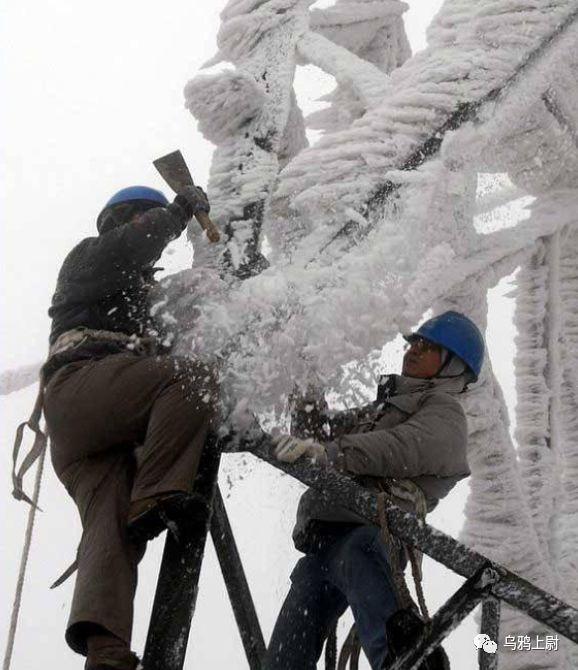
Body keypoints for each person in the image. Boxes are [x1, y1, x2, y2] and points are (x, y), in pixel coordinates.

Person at [42, 184, 219, 670]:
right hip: (83, 386)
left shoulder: (146, 300)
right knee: (191, 379)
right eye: (145, 220)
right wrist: (178, 213)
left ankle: (106, 653)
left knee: (111, 531)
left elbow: (201, 301)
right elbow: (133, 244)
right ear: (122, 221)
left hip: (91, 429)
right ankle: (158, 495)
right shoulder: (90, 259)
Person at [265, 311, 485, 670]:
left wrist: (330, 453)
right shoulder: (384, 408)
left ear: (453, 366)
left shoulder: (445, 412)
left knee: (360, 554)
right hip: (326, 540)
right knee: (291, 639)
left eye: (428, 346)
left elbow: (401, 447)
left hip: (373, 534)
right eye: (414, 342)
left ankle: (408, 659)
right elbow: (320, 435)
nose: (413, 349)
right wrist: (303, 374)